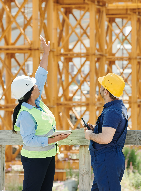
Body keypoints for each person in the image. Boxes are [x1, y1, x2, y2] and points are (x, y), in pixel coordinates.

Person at [11, 36, 70, 191]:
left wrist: (46, 53)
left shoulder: (37, 102)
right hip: (35, 159)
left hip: (48, 156)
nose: (37, 86)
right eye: (34, 86)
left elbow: (41, 76)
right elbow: (29, 140)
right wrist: (53, 139)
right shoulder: (25, 114)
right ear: (30, 93)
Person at [84, 73, 128, 191]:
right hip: (107, 160)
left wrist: (90, 135)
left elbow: (106, 139)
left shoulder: (112, 111)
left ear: (106, 92)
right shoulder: (118, 108)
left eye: (102, 87)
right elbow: (112, 131)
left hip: (107, 160)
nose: (100, 89)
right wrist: (96, 128)